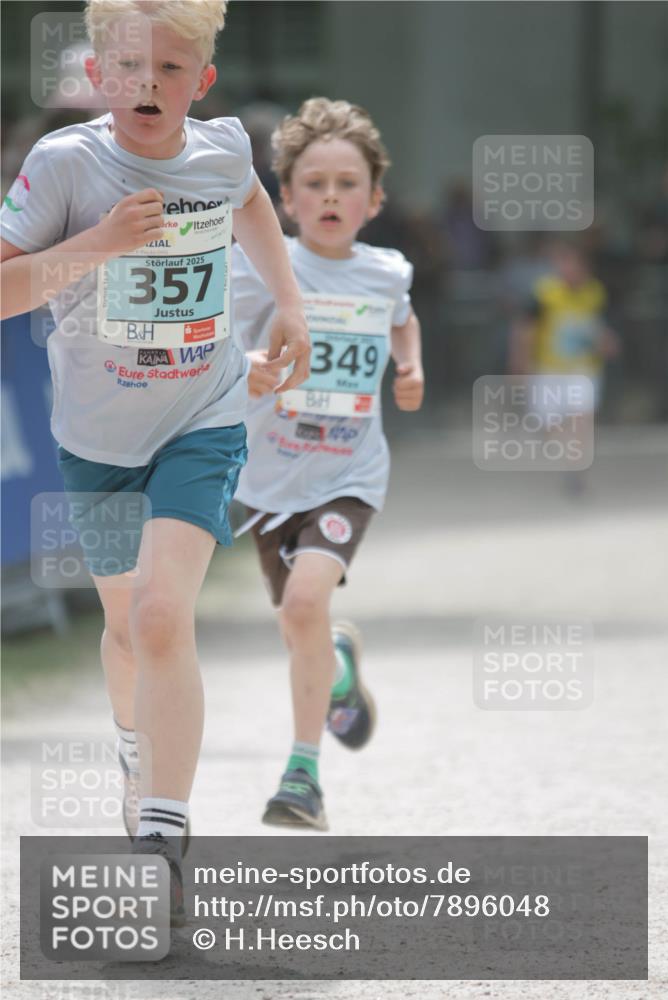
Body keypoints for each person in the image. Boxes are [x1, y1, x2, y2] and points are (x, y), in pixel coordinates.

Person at [0, 0, 309, 924]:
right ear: (97, 76)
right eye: (129, 68)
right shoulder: (64, 165)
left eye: (170, 70)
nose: (148, 86)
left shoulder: (220, 151)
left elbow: (249, 198)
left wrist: (286, 302)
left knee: (165, 615)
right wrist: (98, 245)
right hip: (96, 440)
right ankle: (136, 747)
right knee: (129, 630)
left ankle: (162, 843)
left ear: (200, 82)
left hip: (203, 414)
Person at [231, 97, 424, 831]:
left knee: (305, 605)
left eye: (348, 184)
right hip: (269, 480)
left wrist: (410, 368)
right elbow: (217, 341)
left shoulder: (385, 272)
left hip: (349, 474)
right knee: (299, 623)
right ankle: (338, 672)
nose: (331, 197)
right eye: (314, 183)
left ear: (374, 200)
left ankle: (302, 777)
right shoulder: (258, 269)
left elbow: (403, 317)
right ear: (285, 197)